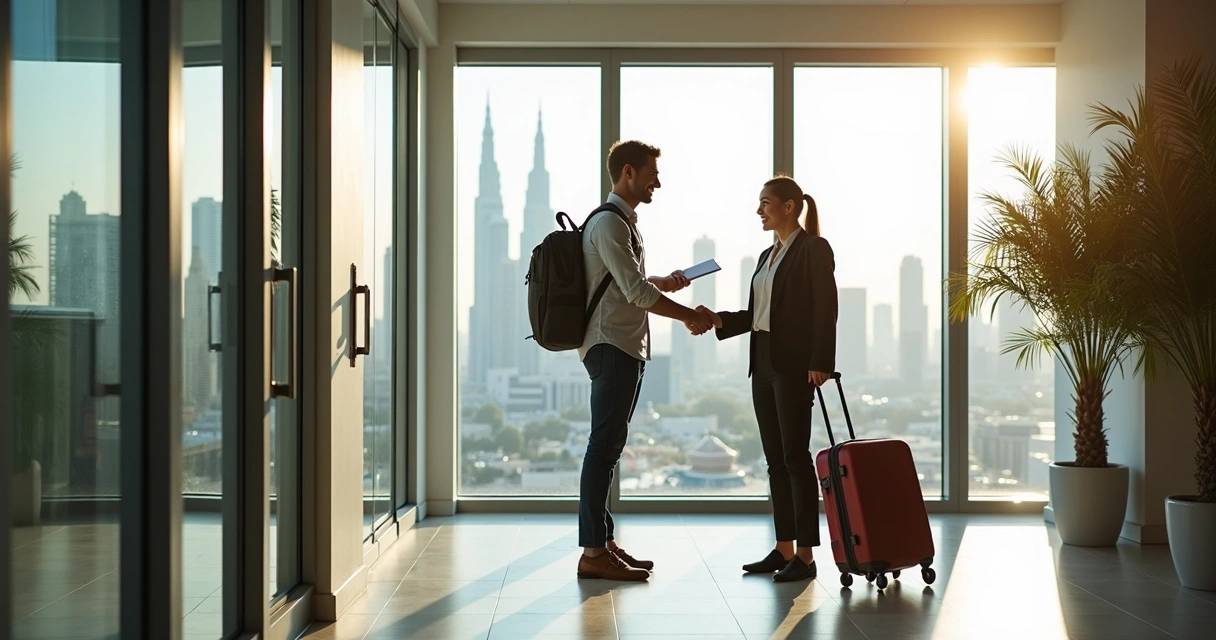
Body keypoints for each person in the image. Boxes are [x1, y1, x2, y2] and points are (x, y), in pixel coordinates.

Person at [576, 140, 716, 581]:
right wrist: (688, 316)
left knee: (610, 449)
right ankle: (593, 554)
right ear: (629, 173)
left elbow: (627, 284)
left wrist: (666, 283)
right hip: (611, 345)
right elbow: (635, 294)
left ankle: (604, 543)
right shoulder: (610, 224)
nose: (658, 180)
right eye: (652, 172)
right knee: (603, 449)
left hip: (622, 344)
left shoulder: (623, 224)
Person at [698, 175, 838, 582]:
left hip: (795, 365)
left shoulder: (813, 249)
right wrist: (715, 320)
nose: (759, 210)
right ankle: (783, 549)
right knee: (775, 461)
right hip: (762, 363)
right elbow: (756, 315)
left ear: (789, 206)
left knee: (796, 459)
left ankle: (807, 557)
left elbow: (825, 307)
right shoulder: (766, 256)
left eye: (765, 203)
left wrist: (821, 360)